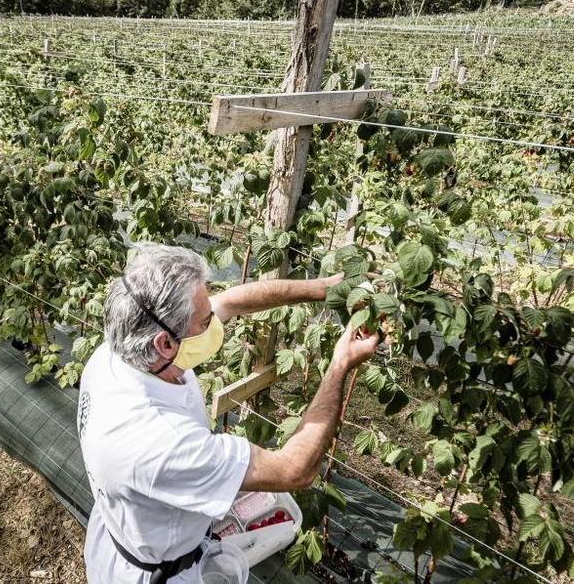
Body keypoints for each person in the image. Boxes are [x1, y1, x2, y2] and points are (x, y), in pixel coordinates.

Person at [77, 243, 379, 583]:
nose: (214, 322)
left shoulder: (115, 356)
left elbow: (233, 300)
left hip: (125, 533)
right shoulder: (163, 441)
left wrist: (323, 288)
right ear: (165, 343)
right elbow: (296, 470)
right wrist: (340, 364)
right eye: (205, 321)